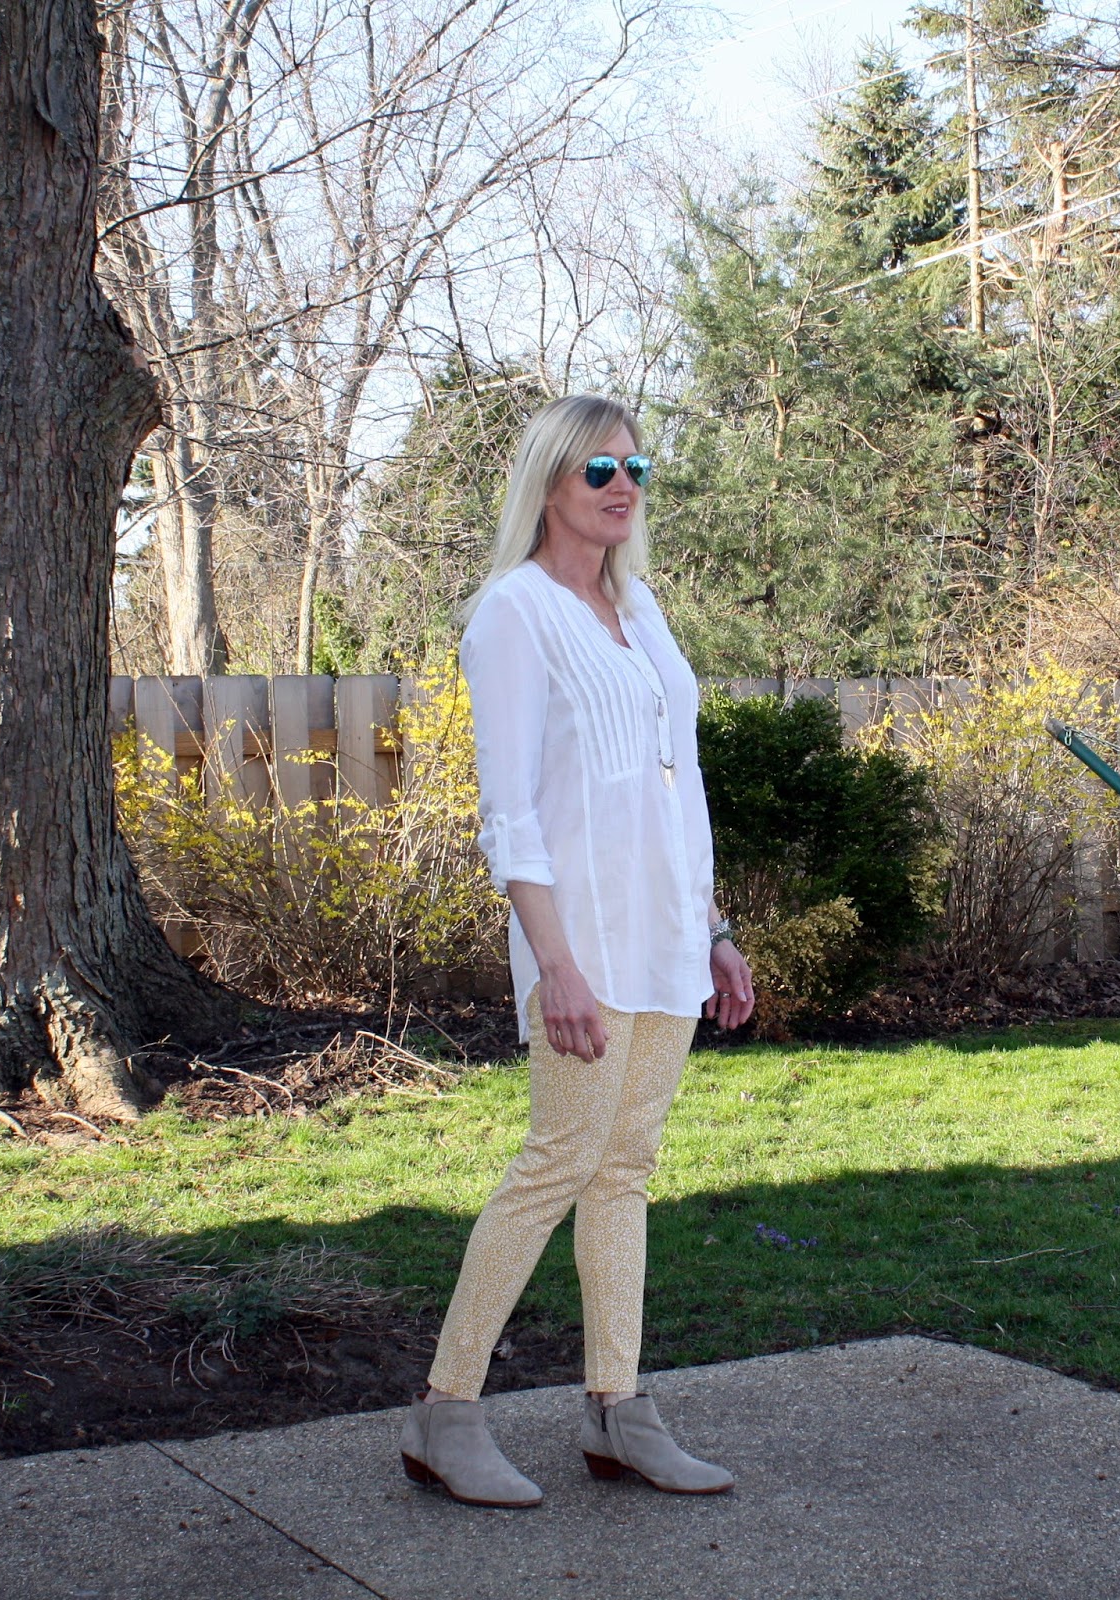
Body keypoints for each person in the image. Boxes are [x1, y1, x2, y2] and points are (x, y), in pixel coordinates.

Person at [398, 393, 755, 1509]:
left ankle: (617, 1409)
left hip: (665, 942)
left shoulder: (639, 611)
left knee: (625, 1169)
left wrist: (713, 929)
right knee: (558, 1158)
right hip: (581, 947)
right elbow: (509, 813)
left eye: (635, 469)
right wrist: (551, 961)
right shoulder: (513, 613)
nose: (620, 486)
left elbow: (677, 788)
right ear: (549, 480)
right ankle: (445, 1412)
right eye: (598, 468)